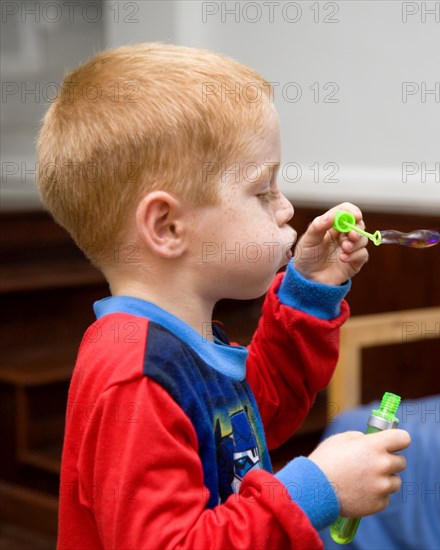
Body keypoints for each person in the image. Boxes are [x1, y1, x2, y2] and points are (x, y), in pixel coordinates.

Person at [36, 43, 410, 549]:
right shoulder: (136, 375)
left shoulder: (181, 342)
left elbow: (262, 410)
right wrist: (318, 489)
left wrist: (309, 291)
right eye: (263, 191)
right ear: (167, 226)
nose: (285, 208)